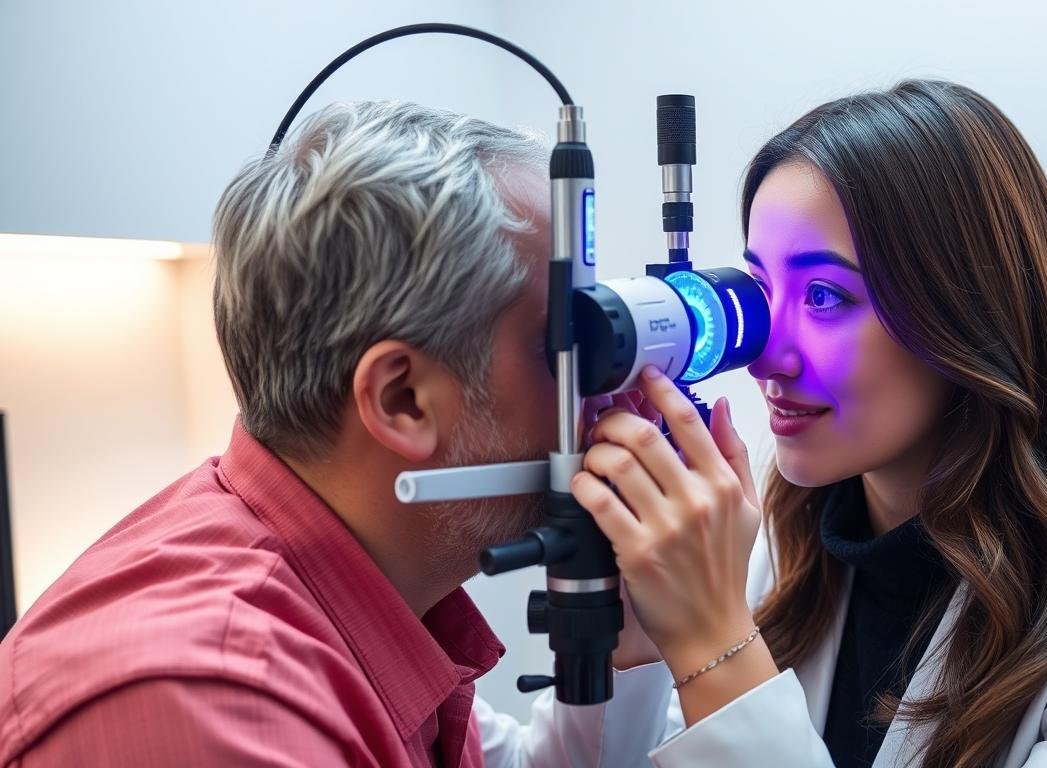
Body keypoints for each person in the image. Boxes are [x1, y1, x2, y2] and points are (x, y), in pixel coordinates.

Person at [567, 80, 1047, 766]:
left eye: (823, 295)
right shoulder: (767, 564)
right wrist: (634, 644)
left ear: (965, 316)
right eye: (760, 290)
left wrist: (711, 642)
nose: (767, 359)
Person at [0, 101, 646, 767]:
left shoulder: (357, 602)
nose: (607, 395)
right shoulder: (219, 705)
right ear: (402, 399)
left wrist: (641, 634)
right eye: (564, 351)